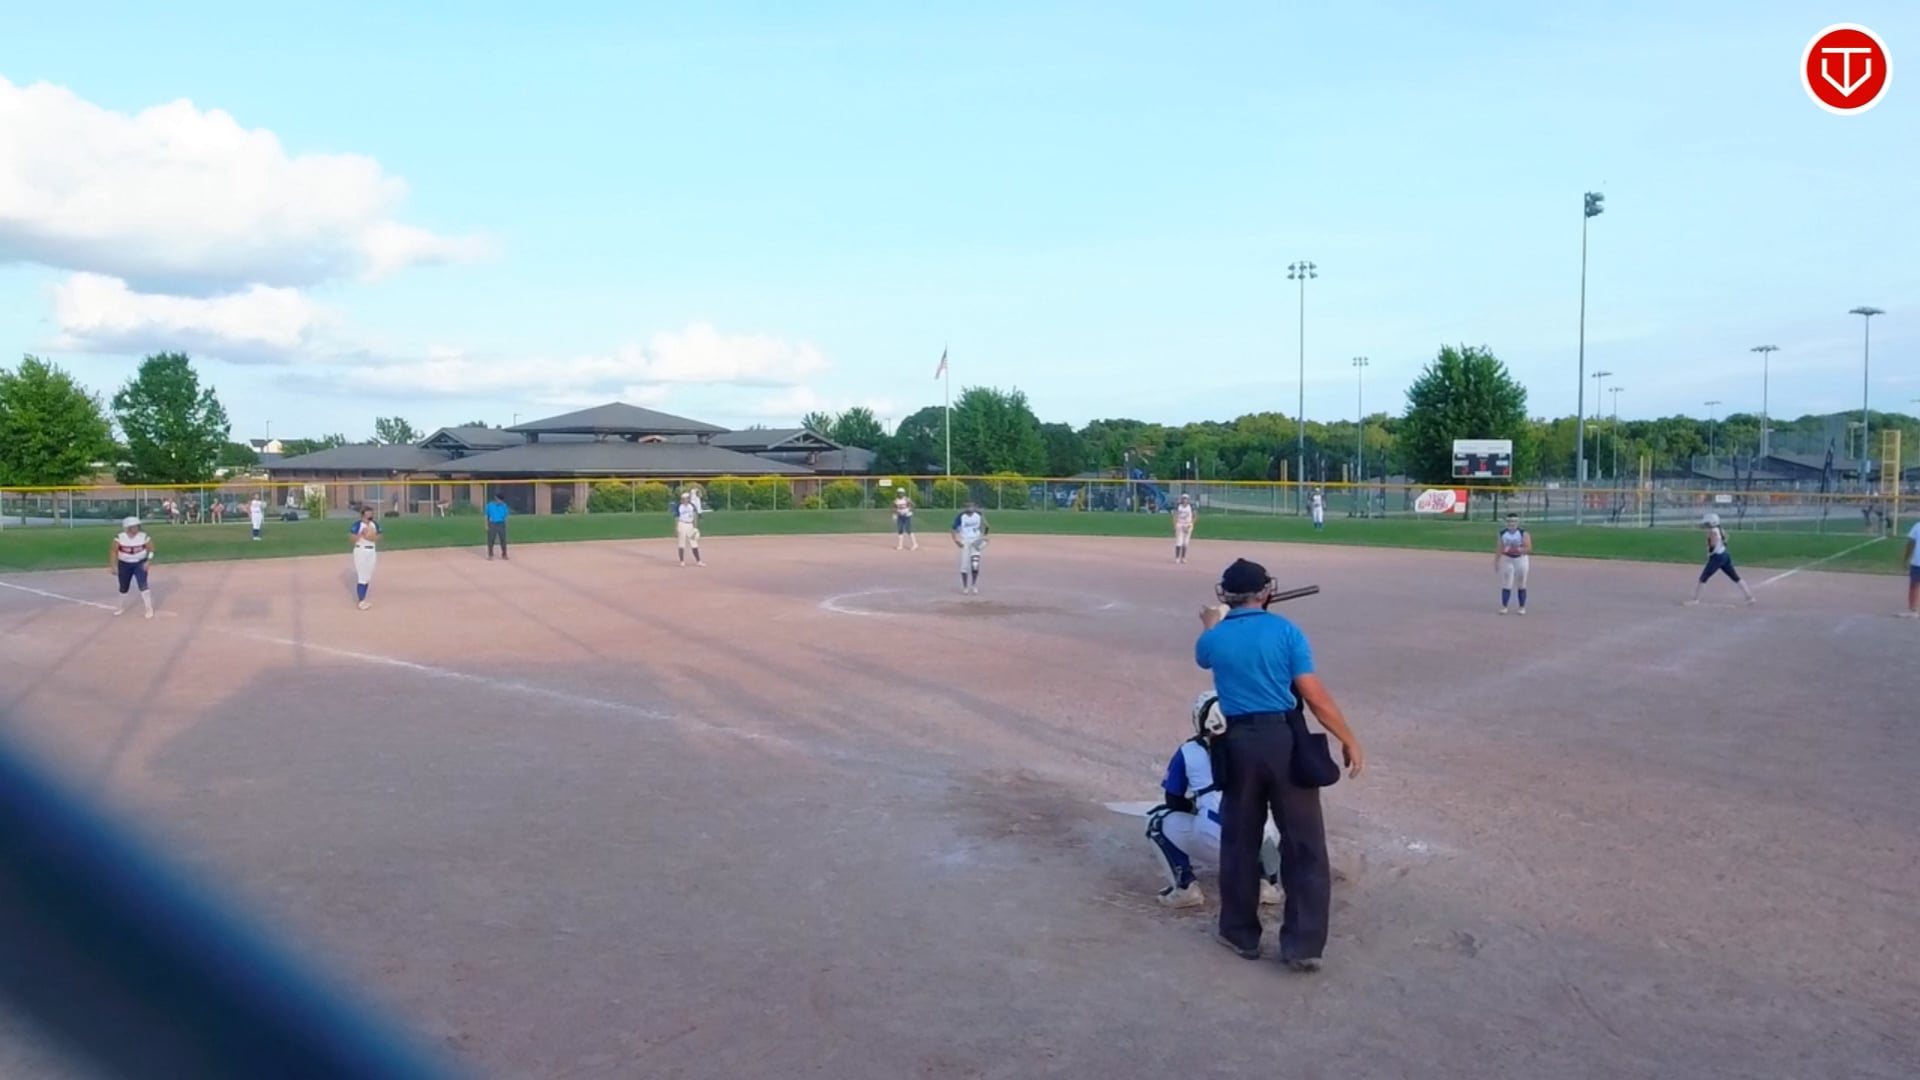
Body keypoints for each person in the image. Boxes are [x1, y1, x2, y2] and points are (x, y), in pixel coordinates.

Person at [1196, 558, 1364, 971]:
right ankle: (1303, 945)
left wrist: (1212, 623)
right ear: (1266, 591)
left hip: (1237, 743)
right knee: (1304, 843)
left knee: (1239, 840)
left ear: (1225, 594)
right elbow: (1313, 695)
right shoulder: (1286, 631)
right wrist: (1347, 737)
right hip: (1284, 741)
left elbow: (1206, 653)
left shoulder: (1213, 639)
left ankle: (1239, 933)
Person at [1146, 691, 1282, 910]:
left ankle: (1185, 888)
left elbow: (1173, 800)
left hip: (1214, 841)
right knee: (1272, 815)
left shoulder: (1189, 751)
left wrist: (1195, 807)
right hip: (1259, 837)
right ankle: (1267, 883)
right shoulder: (1258, 746)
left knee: (1156, 822)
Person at [1686, 512, 1755, 606]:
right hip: (1724, 555)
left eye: (1707, 523)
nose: (1706, 525)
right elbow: (1726, 537)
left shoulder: (1713, 531)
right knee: (1735, 577)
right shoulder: (1719, 529)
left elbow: (1713, 545)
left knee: (1703, 578)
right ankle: (1750, 597)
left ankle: (1696, 600)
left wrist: (1709, 547)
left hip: (1717, 557)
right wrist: (1720, 543)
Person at [108, 516, 156, 619]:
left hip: (139, 563)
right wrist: (113, 566)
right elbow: (113, 551)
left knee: (143, 584)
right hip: (124, 564)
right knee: (123, 587)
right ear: (127, 527)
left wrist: (148, 561)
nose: (136, 528)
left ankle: (149, 609)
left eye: (137, 526)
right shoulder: (120, 537)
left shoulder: (144, 536)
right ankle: (120, 607)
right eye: (133, 526)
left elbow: (151, 549)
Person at [1496, 512, 1533, 615]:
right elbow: (1499, 547)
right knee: (1506, 583)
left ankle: (1522, 607)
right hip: (1508, 559)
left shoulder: (1523, 533)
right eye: (1509, 521)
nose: (1511, 524)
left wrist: (1517, 549)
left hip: (1521, 560)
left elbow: (1529, 548)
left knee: (1521, 583)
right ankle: (1504, 607)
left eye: (1513, 521)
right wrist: (1497, 561)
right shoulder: (1502, 533)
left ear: (1517, 522)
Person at [952, 502, 989, 594]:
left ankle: (974, 585)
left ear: (974, 507)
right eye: (968, 507)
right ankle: (965, 587)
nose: (970, 508)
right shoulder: (961, 516)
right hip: (965, 541)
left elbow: (986, 526)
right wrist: (956, 541)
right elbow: (953, 528)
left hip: (975, 541)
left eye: (972, 506)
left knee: (975, 564)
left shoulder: (979, 515)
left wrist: (984, 536)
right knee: (964, 566)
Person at [350, 507, 381, 610]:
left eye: (371, 513)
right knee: (362, 576)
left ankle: (363, 599)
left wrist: (371, 537)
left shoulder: (374, 524)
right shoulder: (358, 525)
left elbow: (379, 537)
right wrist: (361, 534)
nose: (371, 515)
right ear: (363, 514)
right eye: (368, 513)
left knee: (368, 576)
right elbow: (352, 539)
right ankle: (361, 601)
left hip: (372, 551)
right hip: (361, 551)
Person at [674, 490, 704, 567]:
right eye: (684, 499)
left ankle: (699, 561)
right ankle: (682, 561)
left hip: (690, 525)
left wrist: (695, 527)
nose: (685, 500)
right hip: (682, 524)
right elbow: (677, 518)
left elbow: (695, 516)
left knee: (694, 543)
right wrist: (676, 528)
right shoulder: (679, 506)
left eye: (687, 498)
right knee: (681, 543)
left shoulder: (692, 506)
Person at [1902, 517, 1919, 619]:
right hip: (1917, 562)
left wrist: (1905, 559)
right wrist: (1906, 558)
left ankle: (1913, 608)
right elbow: (1911, 543)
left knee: (1914, 585)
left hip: (1917, 562)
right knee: (1914, 585)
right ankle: (1913, 608)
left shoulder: (1917, 526)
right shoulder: (1917, 526)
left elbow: (1910, 544)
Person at [485, 494, 510, 560]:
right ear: (496, 499)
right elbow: (486, 516)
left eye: (502, 500)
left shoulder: (504, 505)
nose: (501, 502)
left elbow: (506, 516)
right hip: (492, 523)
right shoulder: (489, 505)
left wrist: (505, 525)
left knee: (503, 539)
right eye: (500, 500)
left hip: (501, 523)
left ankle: (504, 554)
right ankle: (490, 555)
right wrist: (486, 525)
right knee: (491, 539)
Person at [1172, 494, 1196, 563]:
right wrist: (1174, 525)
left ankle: (1183, 557)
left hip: (1188, 524)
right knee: (1179, 542)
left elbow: (1195, 516)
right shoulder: (1178, 506)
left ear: (1188, 500)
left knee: (1185, 542)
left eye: (1186, 499)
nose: (1185, 500)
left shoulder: (1191, 506)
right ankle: (1177, 557)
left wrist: (1190, 524)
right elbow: (1175, 515)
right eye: (1183, 499)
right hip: (1180, 524)